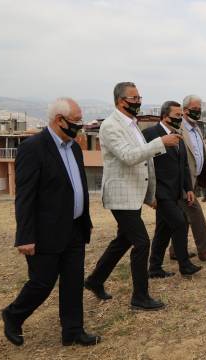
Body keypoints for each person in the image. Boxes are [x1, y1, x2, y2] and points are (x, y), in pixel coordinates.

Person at [1, 98, 99, 347]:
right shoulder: (33, 148)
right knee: (42, 283)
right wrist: (24, 236)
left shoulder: (74, 147)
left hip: (75, 227)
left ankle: (73, 331)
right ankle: (13, 315)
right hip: (46, 231)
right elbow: (25, 196)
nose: (80, 127)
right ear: (59, 120)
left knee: (73, 282)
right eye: (76, 122)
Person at [85, 82, 181, 311]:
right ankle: (140, 296)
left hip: (134, 194)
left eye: (139, 97)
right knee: (141, 241)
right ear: (121, 101)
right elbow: (129, 156)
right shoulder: (110, 126)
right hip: (121, 195)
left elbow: (144, 162)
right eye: (134, 98)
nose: (138, 101)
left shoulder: (132, 124)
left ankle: (95, 280)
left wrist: (149, 195)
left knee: (123, 240)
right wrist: (160, 143)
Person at [142, 101, 202, 278]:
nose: (180, 118)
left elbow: (183, 165)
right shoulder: (150, 134)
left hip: (175, 192)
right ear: (164, 116)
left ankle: (154, 267)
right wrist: (149, 194)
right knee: (180, 222)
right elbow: (144, 164)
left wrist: (188, 189)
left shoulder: (178, 135)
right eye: (176, 116)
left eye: (180, 116)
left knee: (164, 230)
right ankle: (184, 265)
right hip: (160, 192)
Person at [168, 95, 206, 262]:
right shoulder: (178, 128)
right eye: (195, 109)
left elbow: (202, 153)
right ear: (185, 110)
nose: (198, 112)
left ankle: (175, 250)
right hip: (182, 181)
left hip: (195, 179)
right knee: (195, 214)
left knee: (183, 216)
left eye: (199, 109)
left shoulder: (197, 128)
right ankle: (204, 251)